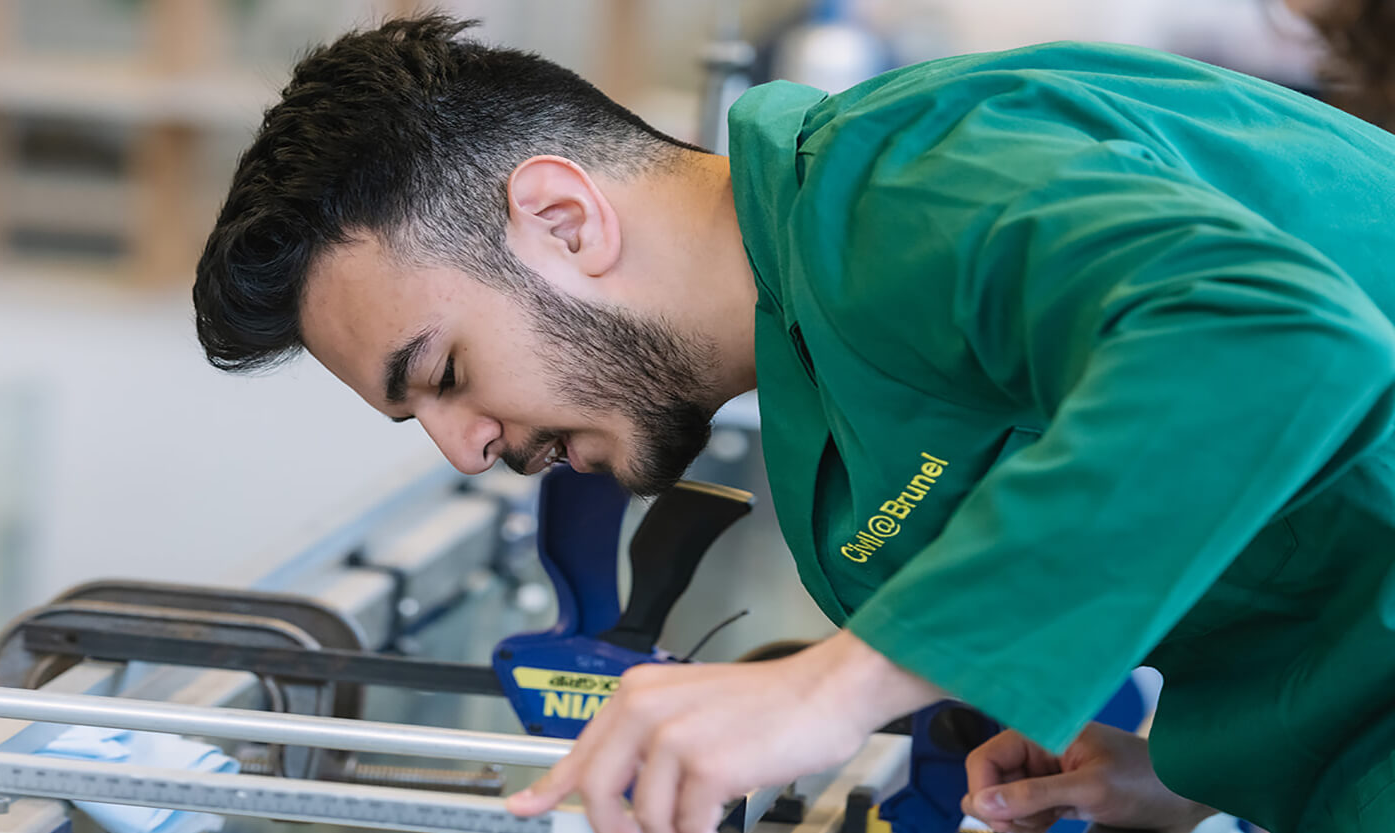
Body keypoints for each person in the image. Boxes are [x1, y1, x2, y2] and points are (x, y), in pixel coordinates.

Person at [194, 14, 1395, 833]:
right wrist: (1189, 771)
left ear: (563, 219)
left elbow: (1275, 341)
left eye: (443, 370)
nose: (467, 445)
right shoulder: (823, 391)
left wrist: (827, 690)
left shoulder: (910, 176)